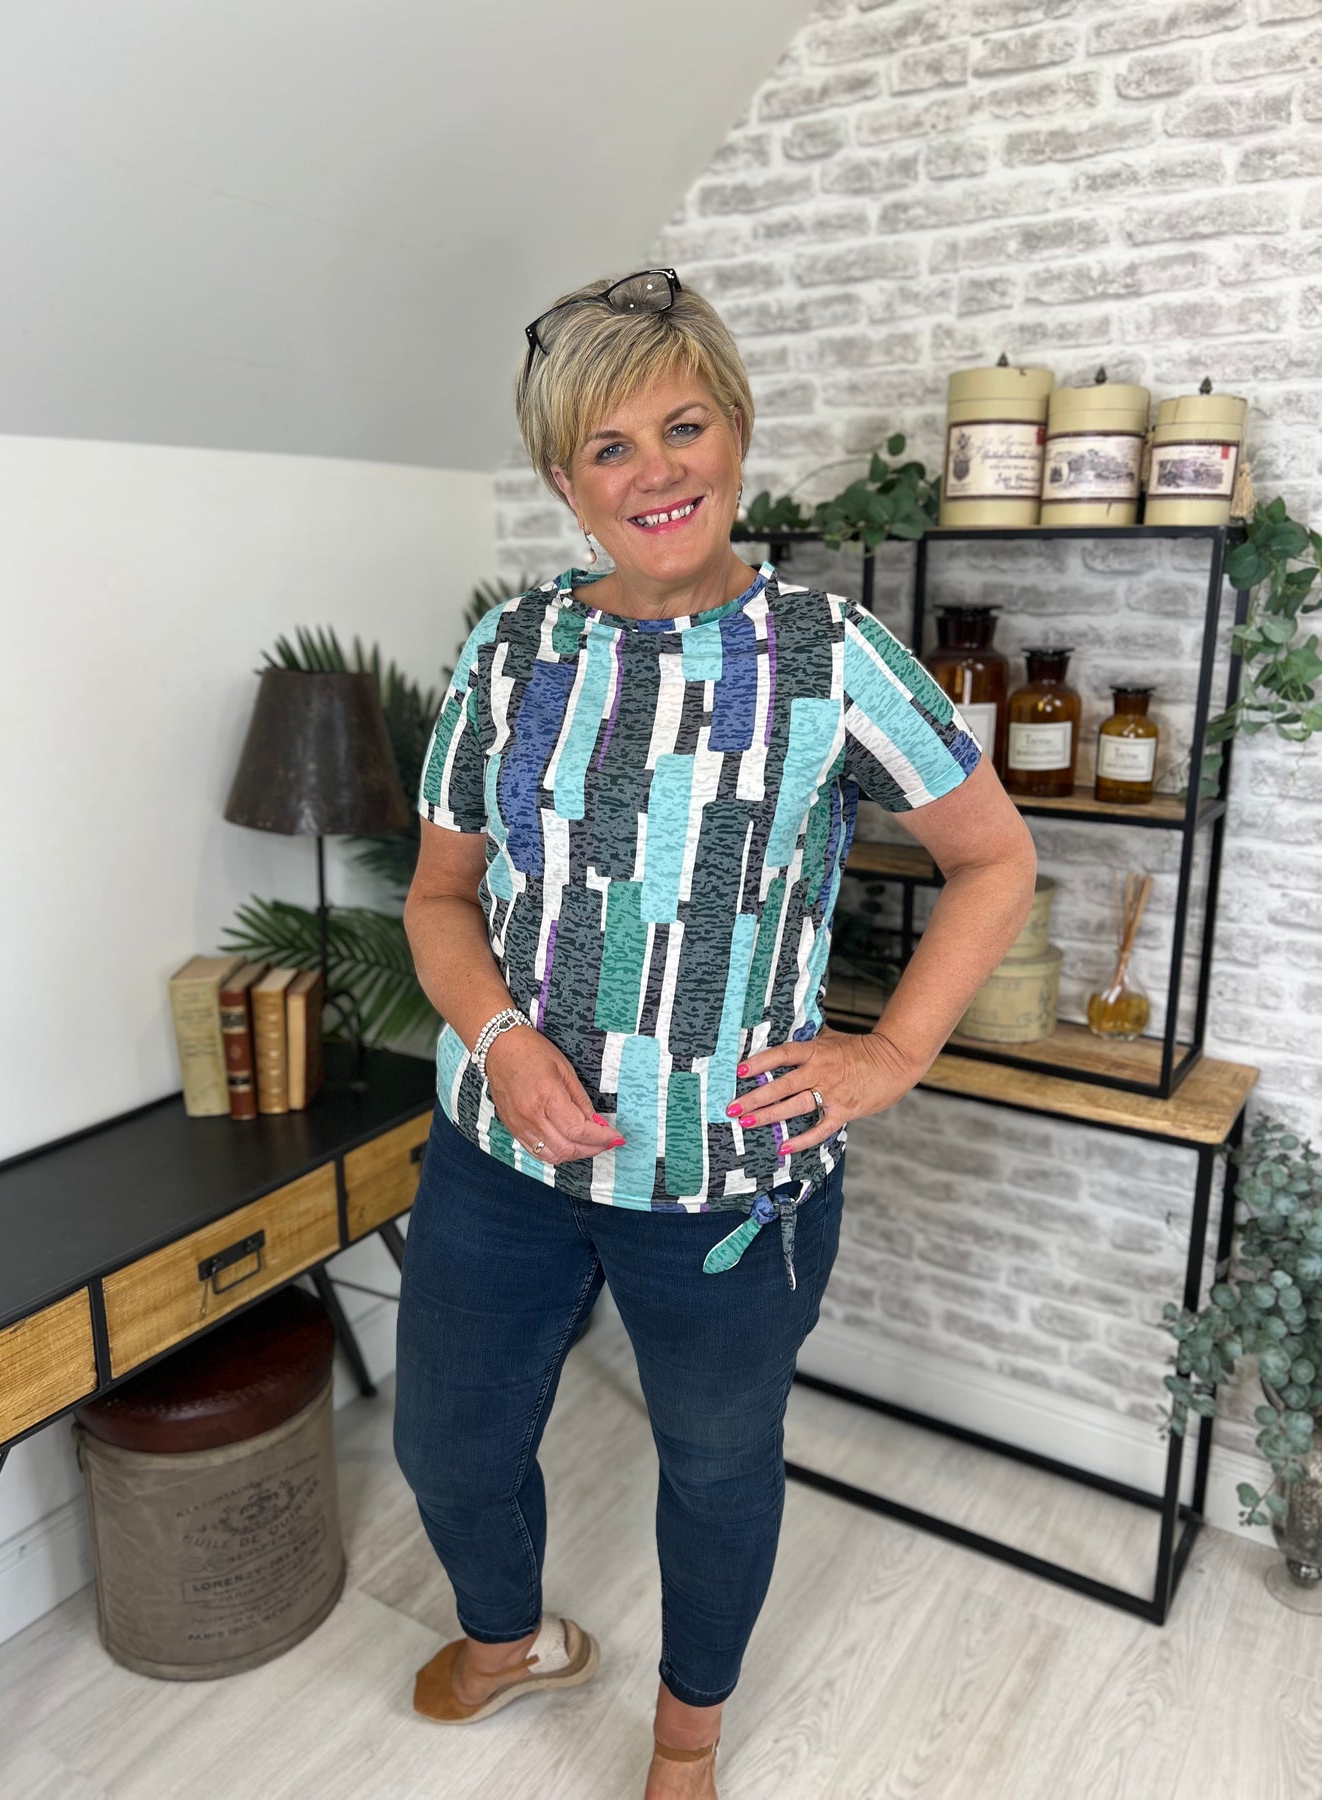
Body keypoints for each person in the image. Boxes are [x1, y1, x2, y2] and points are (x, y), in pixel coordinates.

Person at [395, 269, 1036, 1799]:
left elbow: (993, 858)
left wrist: (891, 1055)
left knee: (715, 1466)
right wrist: (500, 1040)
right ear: (564, 483)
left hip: (726, 1179)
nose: (654, 472)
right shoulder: (509, 653)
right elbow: (437, 899)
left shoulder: (827, 654)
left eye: (682, 427)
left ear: (735, 435)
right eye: (607, 447)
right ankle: (509, 1641)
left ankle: (686, 1736)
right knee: (450, 1446)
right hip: (500, 1159)